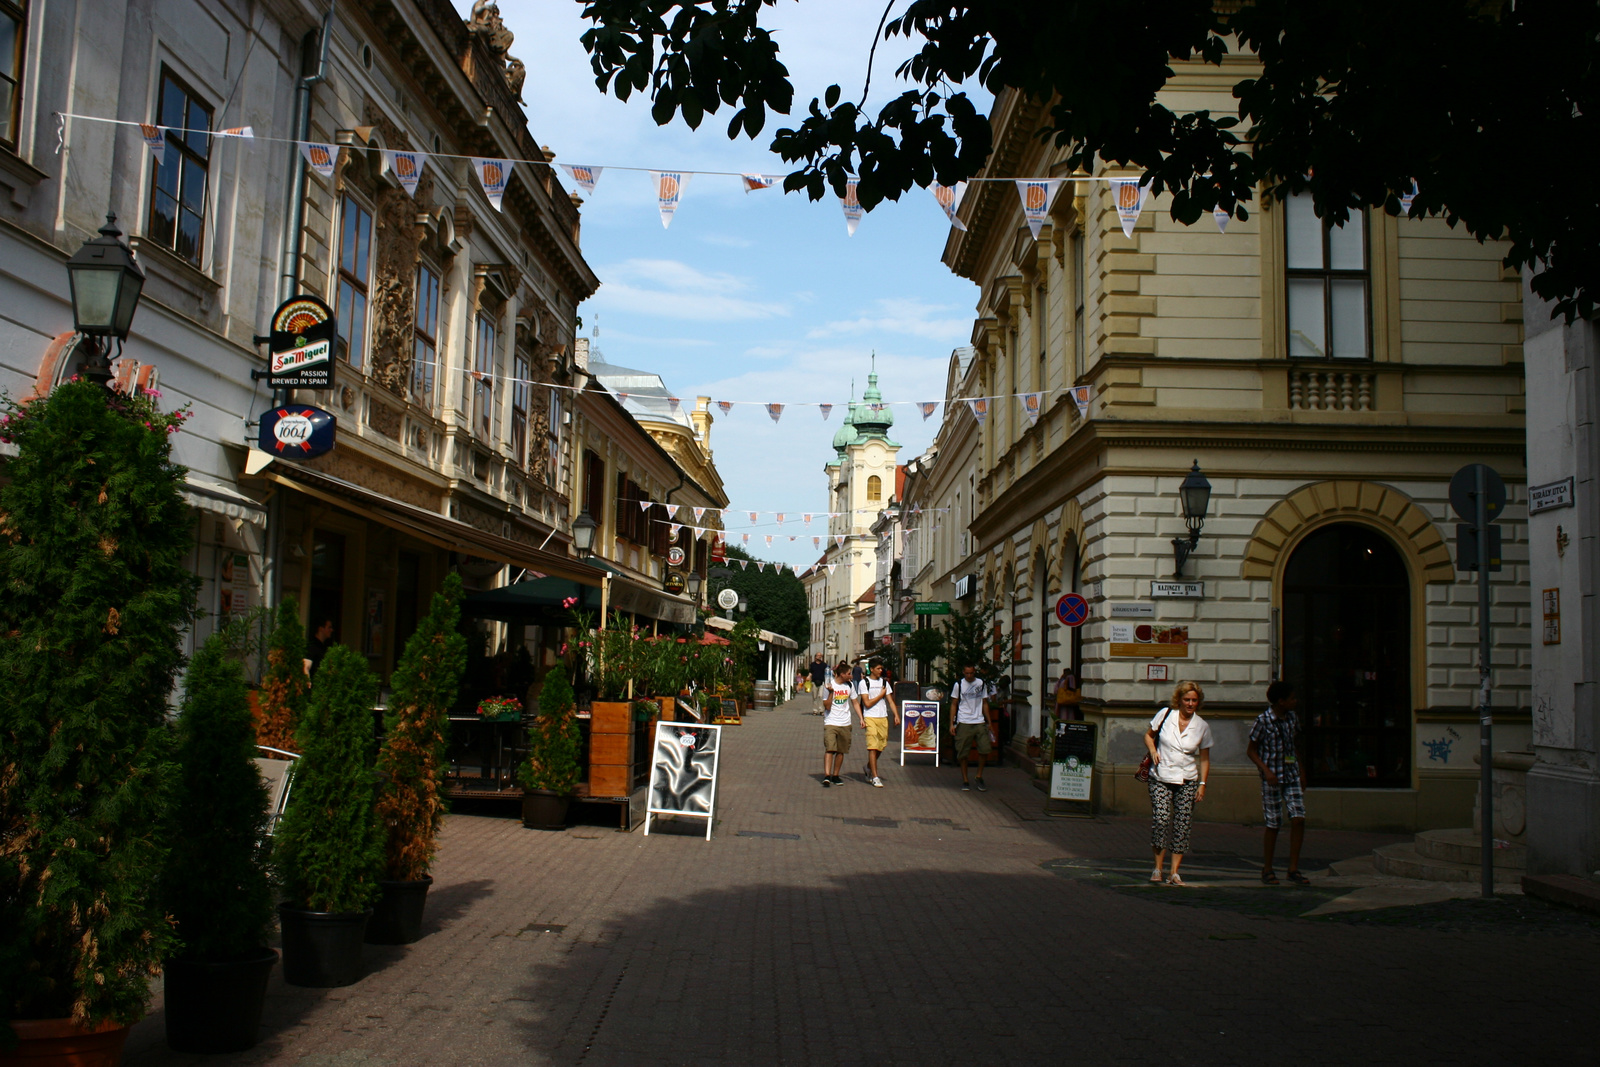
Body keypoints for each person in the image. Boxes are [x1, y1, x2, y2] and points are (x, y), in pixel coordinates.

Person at [1144, 681, 1212, 886]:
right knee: (1162, 819)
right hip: (1161, 776)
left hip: (1187, 779)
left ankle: (1174, 872)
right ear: (1179, 700)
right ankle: (1157, 868)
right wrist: (1154, 751)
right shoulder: (1166, 715)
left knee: (1182, 825)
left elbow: (1205, 758)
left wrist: (1202, 783)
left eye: (1194, 700)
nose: (1190, 704)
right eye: (1187, 700)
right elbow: (1148, 735)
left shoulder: (1202, 726)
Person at [1248, 680, 1309, 885]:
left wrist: (1301, 771)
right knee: (1273, 823)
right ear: (1281, 702)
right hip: (1272, 778)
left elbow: (1294, 745)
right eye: (1292, 698)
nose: (1295, 701)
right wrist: (1266, 770)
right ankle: (1267, 868)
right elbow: (1252, 750)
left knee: (1299, 818)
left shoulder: (1291, 718)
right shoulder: (1263, 721)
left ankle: (1293, 868)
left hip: (1290, 775)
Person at [947, 664, 996, 791]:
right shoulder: (959, 684)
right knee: (963, 752)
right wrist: (952, 723)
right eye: (967, 673)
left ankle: (979, 776)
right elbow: (954, 704)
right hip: (964, 721)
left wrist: (989, 722)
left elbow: (985, 702)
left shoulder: (981, 683)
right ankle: (965, 779)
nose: (969, 676)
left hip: (979, 720)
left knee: (985, 749)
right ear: (963, 673)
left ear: (975, 673)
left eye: (971, 673)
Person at [856, 661, 900, 787]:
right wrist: (880, 694)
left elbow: (890, 701)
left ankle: (868, 767)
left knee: (881, 746)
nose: (881, 670)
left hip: (882, 717)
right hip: (870, 717)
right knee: (872, 746)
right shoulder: (864, 683)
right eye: (878, 668)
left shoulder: (884, 682)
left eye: (882, 668)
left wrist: (896, 715)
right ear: (872, 669)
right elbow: (867, 703)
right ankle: (875, 776)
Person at [821, 661, 861, 787]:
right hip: (831, 722)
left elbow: (855, 702)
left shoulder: (849, 686)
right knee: (830, 749)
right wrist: (832, 692)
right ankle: (827, 775)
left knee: (841, 751)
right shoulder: (828, 686)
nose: (851, 676)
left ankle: (836, 775)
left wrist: (861, 718)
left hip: (845, 722)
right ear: (842, 674)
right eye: (849, 674)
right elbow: (826, 706)